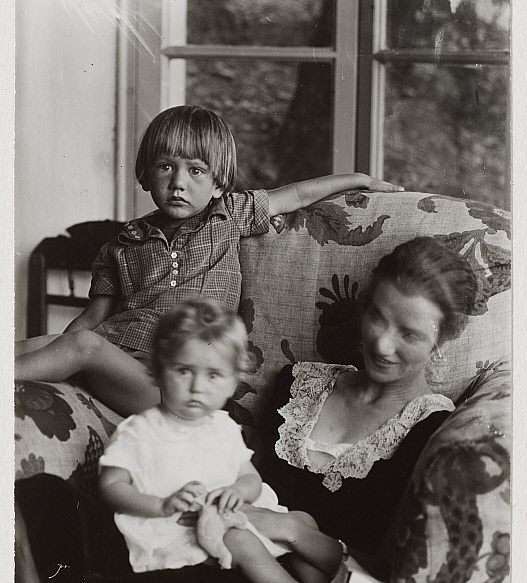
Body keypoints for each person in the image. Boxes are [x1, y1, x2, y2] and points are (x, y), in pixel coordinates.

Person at [15, 105, 403, 416]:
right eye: (166, 166)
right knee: (48, 343)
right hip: (115, 361)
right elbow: (92, 318)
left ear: (219, 183)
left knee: (82, 346)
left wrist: (359, 179)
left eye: (196, 171)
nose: (178, 182)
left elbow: (297, 195)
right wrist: (61, 346)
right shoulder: (123, 242)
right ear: (146, 175)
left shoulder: (228, 216)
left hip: (173, 381)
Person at [238, 236, 478, 580]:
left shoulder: (433, 434)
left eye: (409, 334)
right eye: (377, 317)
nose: (381, 344)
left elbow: (394, 575)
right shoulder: (296, 386)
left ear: (441, 342)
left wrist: (295, 531)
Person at [98, 299, 343, 583]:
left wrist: (237, 491)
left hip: (229, 515)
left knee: (303, 520)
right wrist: (161, 505)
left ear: (230, 384)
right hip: (179, 528)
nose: (197, 386)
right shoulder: (140, 431)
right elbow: (111, 486)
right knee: (240, 539)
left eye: (213, 375)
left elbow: (250, 478)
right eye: (184, 371)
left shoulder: (223, 428)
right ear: (159, 371)